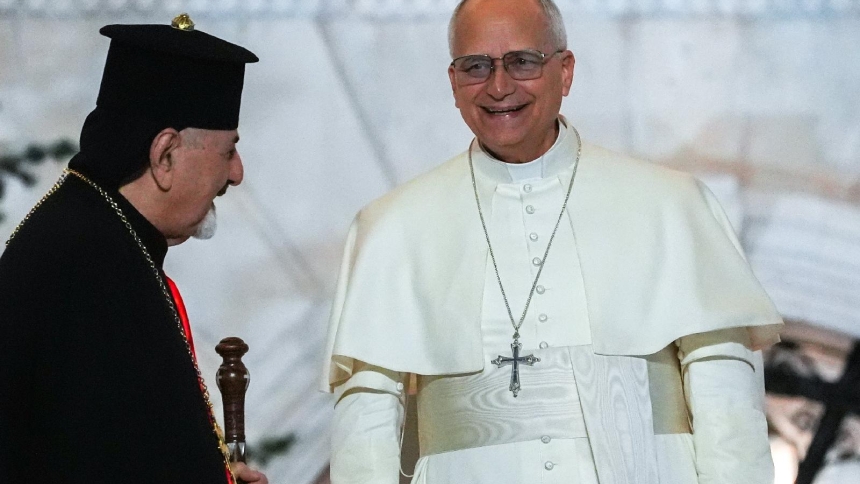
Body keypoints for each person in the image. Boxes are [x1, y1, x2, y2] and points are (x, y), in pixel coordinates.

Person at [322, 0, 784, 483]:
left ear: (565, 72)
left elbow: (727, 405)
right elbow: (365, 429)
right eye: (476, 67)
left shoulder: (672, 204)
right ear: (454, 83)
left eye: (523, 62)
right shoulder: (392, 226)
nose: (499, 86)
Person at [0, 15, 267, 484]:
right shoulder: (89, 267)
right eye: (228, 152)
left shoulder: (97, 236)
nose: (237, 173)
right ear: (165, 155)